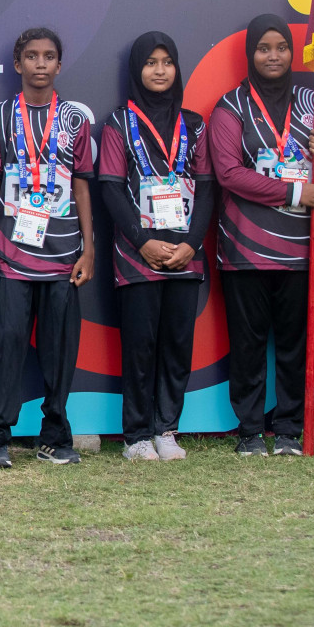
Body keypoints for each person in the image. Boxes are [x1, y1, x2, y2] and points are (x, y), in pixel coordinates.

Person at [0, 27, 96, 468]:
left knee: (60, 352)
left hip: (64, 257)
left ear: (59, 65)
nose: (40, 64)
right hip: (10, 255)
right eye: (31, 56)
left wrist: (89, 248)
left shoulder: (76, 120)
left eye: (48, 57)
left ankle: (55, 437)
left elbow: (82, 188)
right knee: (5, 349)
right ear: (17, 64)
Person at [210, 15, 314, 457]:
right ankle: (248, 431)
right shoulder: (230, 107)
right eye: (264, 48)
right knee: (248, 344)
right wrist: (297, 190)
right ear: (250, 54)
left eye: (281, 46)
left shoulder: (311, 101)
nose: (274, 55)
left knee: (295, 344)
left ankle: (288, 429)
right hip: (245, 250)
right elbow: (228, 173)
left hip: (301, 249)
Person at [99, 32, 214, 462]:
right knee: (141, 345)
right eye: (151, 62)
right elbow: (110, 188)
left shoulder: (195, 124)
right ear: (137, 70)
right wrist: (144, 242)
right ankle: (137, 436)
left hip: (186, 253)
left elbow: (206, 189)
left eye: (167, 61)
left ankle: (167, 428)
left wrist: (191, 244)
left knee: (177, 343)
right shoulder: (117, 123)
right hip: (137, 256)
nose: (160, 70)